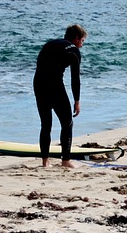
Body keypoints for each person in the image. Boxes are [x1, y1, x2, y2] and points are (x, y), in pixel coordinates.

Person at [33, 24, 87, 168]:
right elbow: (75, 78)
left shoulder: (50, 44)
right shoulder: (73, 50)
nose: (81, 45)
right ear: (76, 38)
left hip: (38, 84)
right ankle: (66, 161)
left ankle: (45, 163)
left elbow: (40, 65)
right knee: (67, 123)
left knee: (46, 125)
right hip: (54, 86)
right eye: (82, 41)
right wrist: (77, 100)